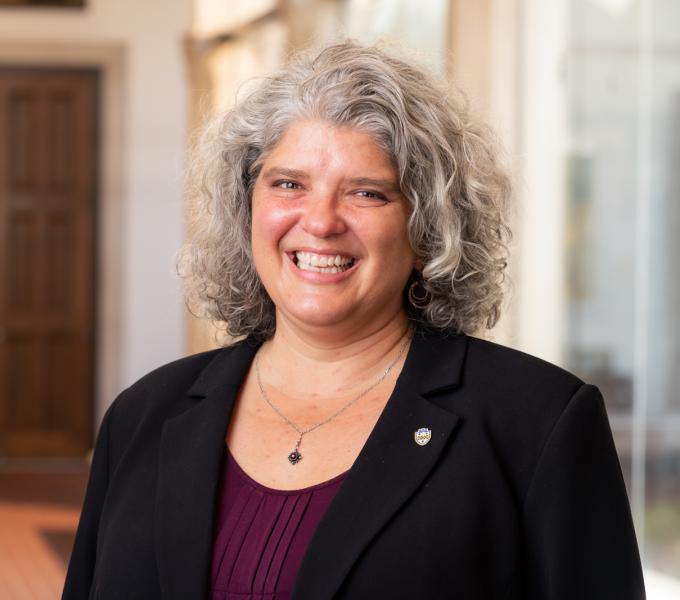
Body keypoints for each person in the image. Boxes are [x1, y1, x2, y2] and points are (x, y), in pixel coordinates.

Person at [62, 41, 645, 600]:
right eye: (288, 184)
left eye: (367, 193)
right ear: (247, 208)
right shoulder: (142, 416)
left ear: (429, 227)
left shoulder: (539, 424)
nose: (320, 221)